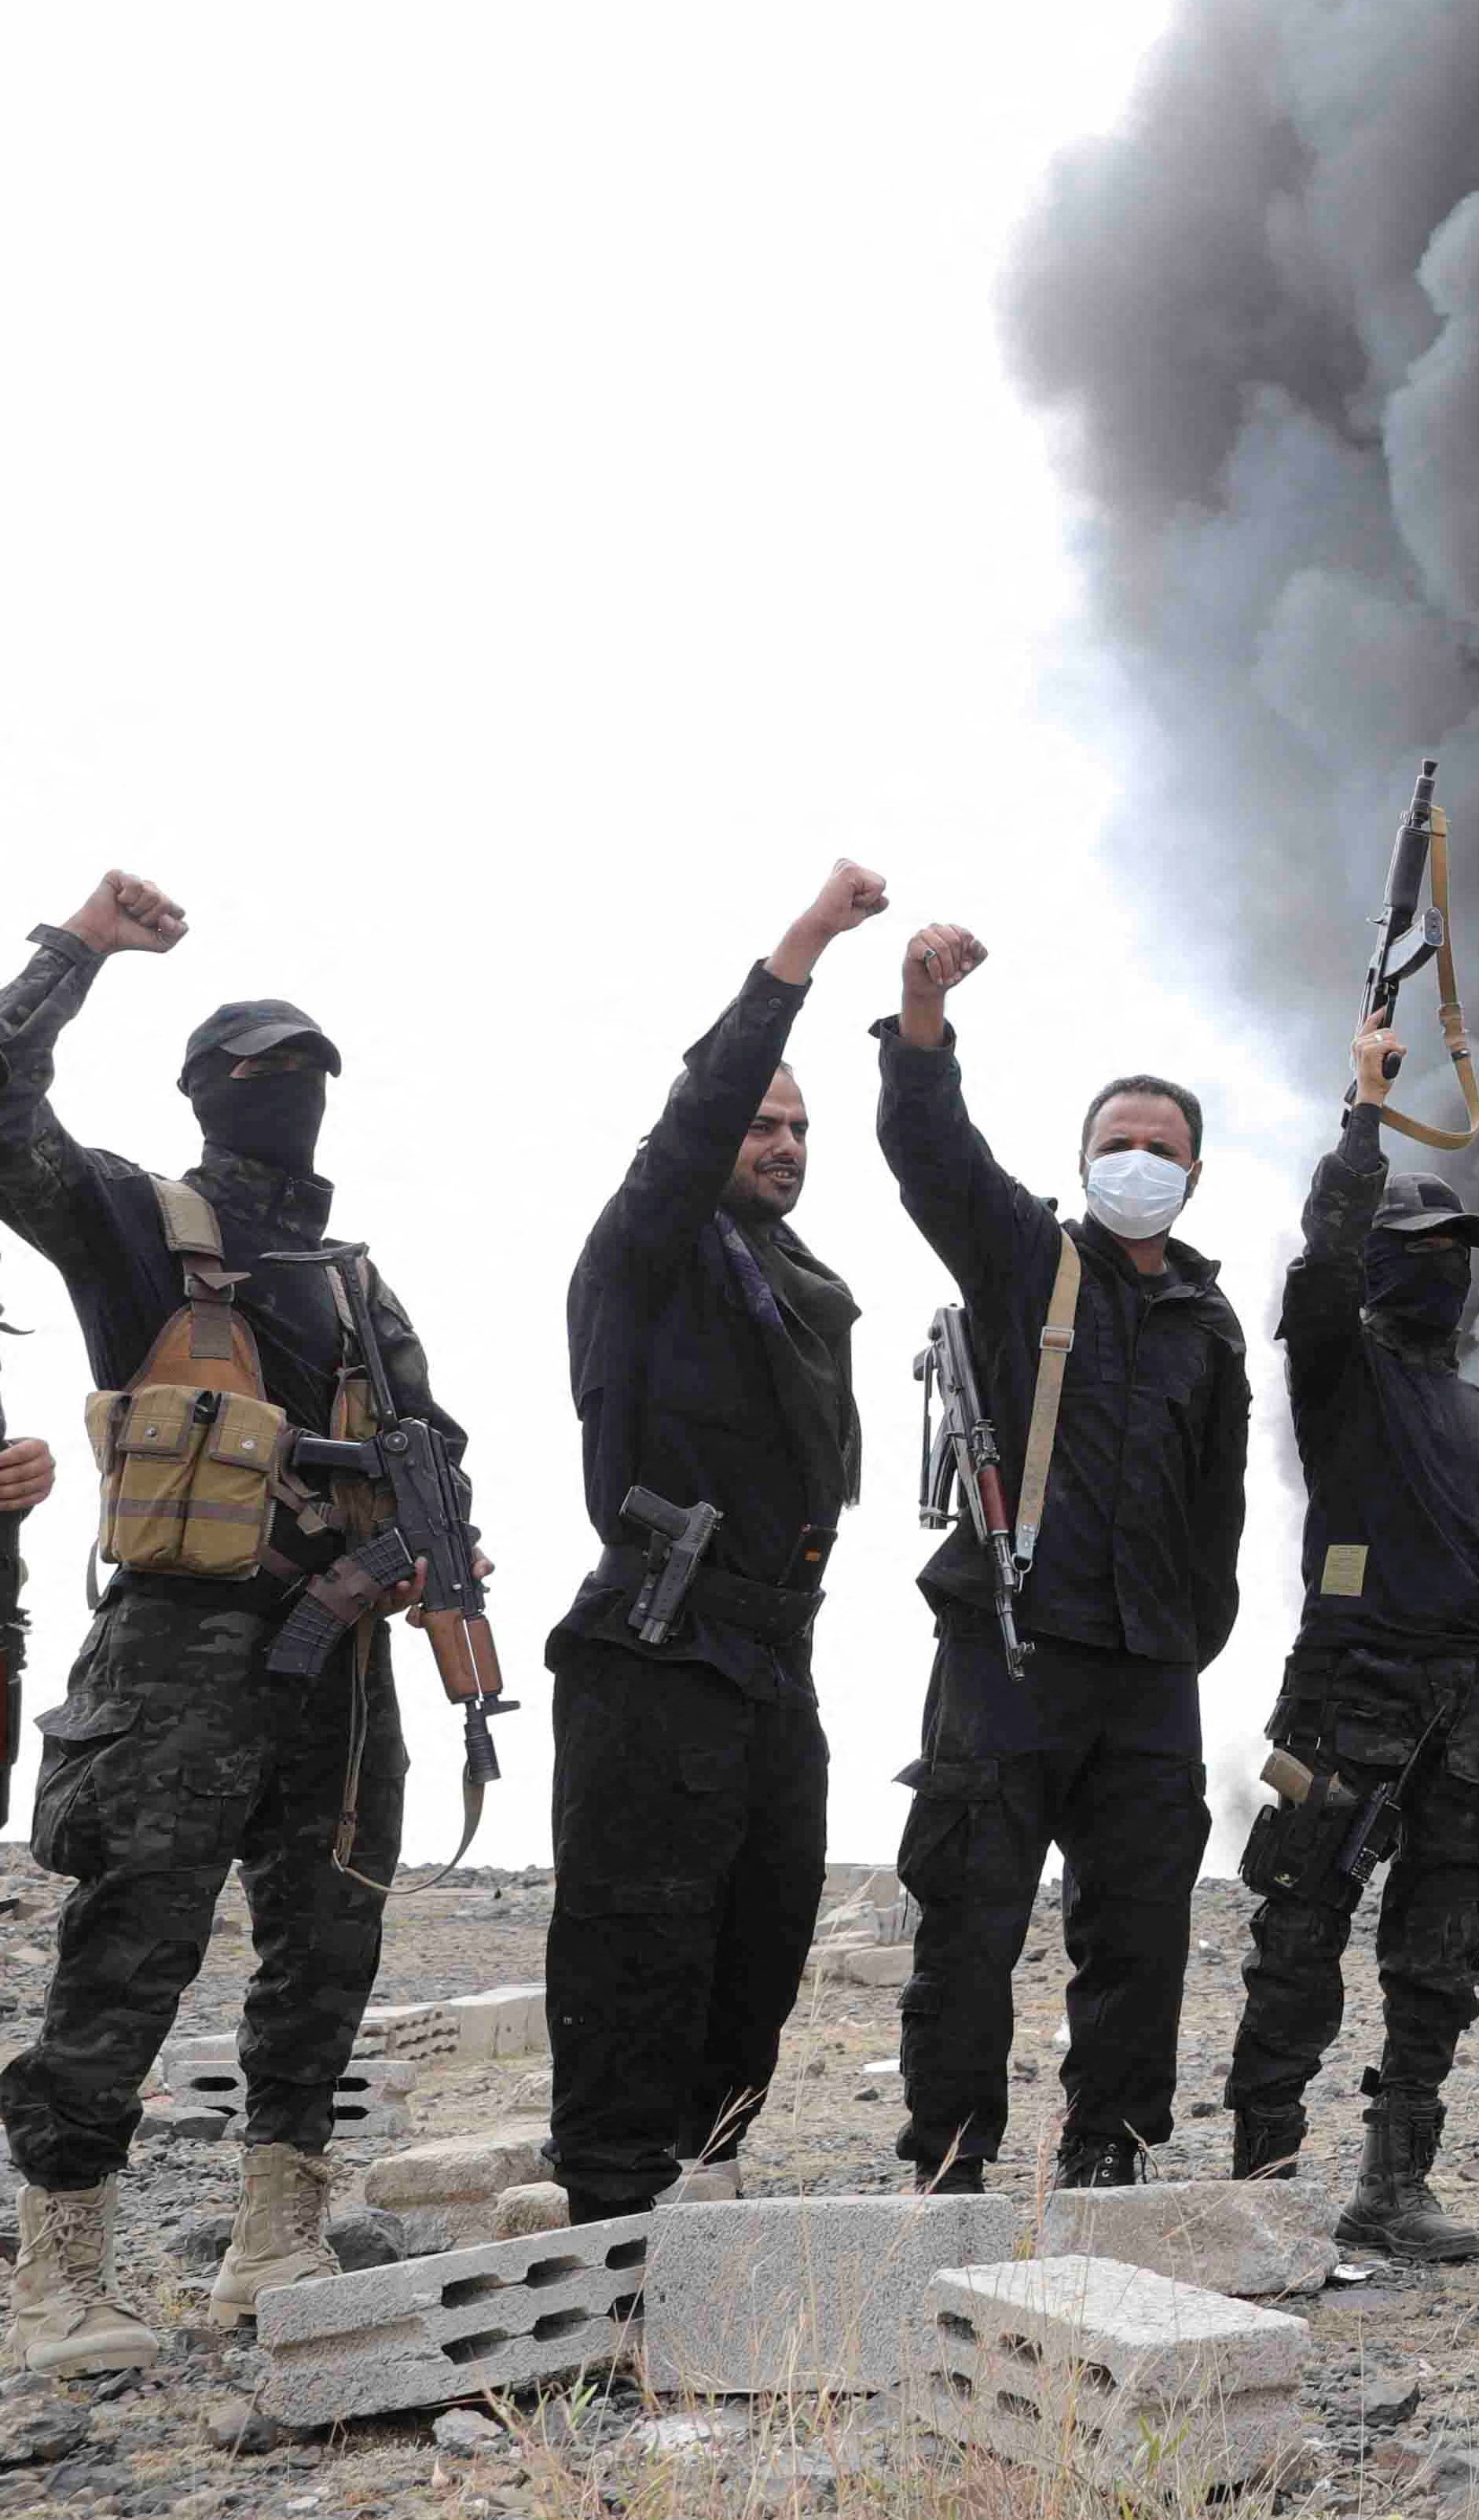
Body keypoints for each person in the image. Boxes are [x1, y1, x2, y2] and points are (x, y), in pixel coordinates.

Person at [0, 871, 450, 2364]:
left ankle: (278, 2230)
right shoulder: (134, 1225)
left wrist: (423, 1557)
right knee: (130, 1945)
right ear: (201, 1096)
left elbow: (431, 1440)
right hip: (180, 1653)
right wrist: (82, 946)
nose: (283, 1093)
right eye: (254, 1073)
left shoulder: (357, 1281)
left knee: (328, 1944)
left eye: (305, 1073)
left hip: (345, 1661)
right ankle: (61, 2265)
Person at [875, 920, 1250, 2188]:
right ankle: (951, 2166)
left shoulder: (1209, 1319)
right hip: (1010, 1651)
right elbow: (931, 1156)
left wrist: (1199, 1630)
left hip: (1152, 1665)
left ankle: (1109, 2154)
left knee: (1141, 1927)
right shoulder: (1028, 1261)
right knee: (973, 1919)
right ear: (1082, 1159)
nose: (1137, 1163)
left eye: (1161, 1149)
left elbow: (1222, 1497)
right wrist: (922, 1015)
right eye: (1117, 1146)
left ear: (1195, 1172)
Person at [545, 861, 886, 2223]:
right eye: (760, 1121)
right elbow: (691, 1123)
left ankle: (706, 2170)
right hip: (656, 1644)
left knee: (764, 1924)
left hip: (769, 1655)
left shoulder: (806, 1289)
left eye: (801, 1125)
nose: (783, 1140)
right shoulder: (654, 1247)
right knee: (639, 1931)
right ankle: (612, 2210)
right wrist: (800, 952)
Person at [1220, 1009, 1479, 2253]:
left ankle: (1395, 2178)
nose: (1444, 1268)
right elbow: (1324, 1251)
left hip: (1465, 1709)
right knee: (1299, 1921)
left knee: (1441, 1950)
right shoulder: (1335, 1366)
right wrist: (1362, 1111)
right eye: (1422, 1247)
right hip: (1346, 1694)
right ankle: (1258, 2182)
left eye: (1459, 1249)